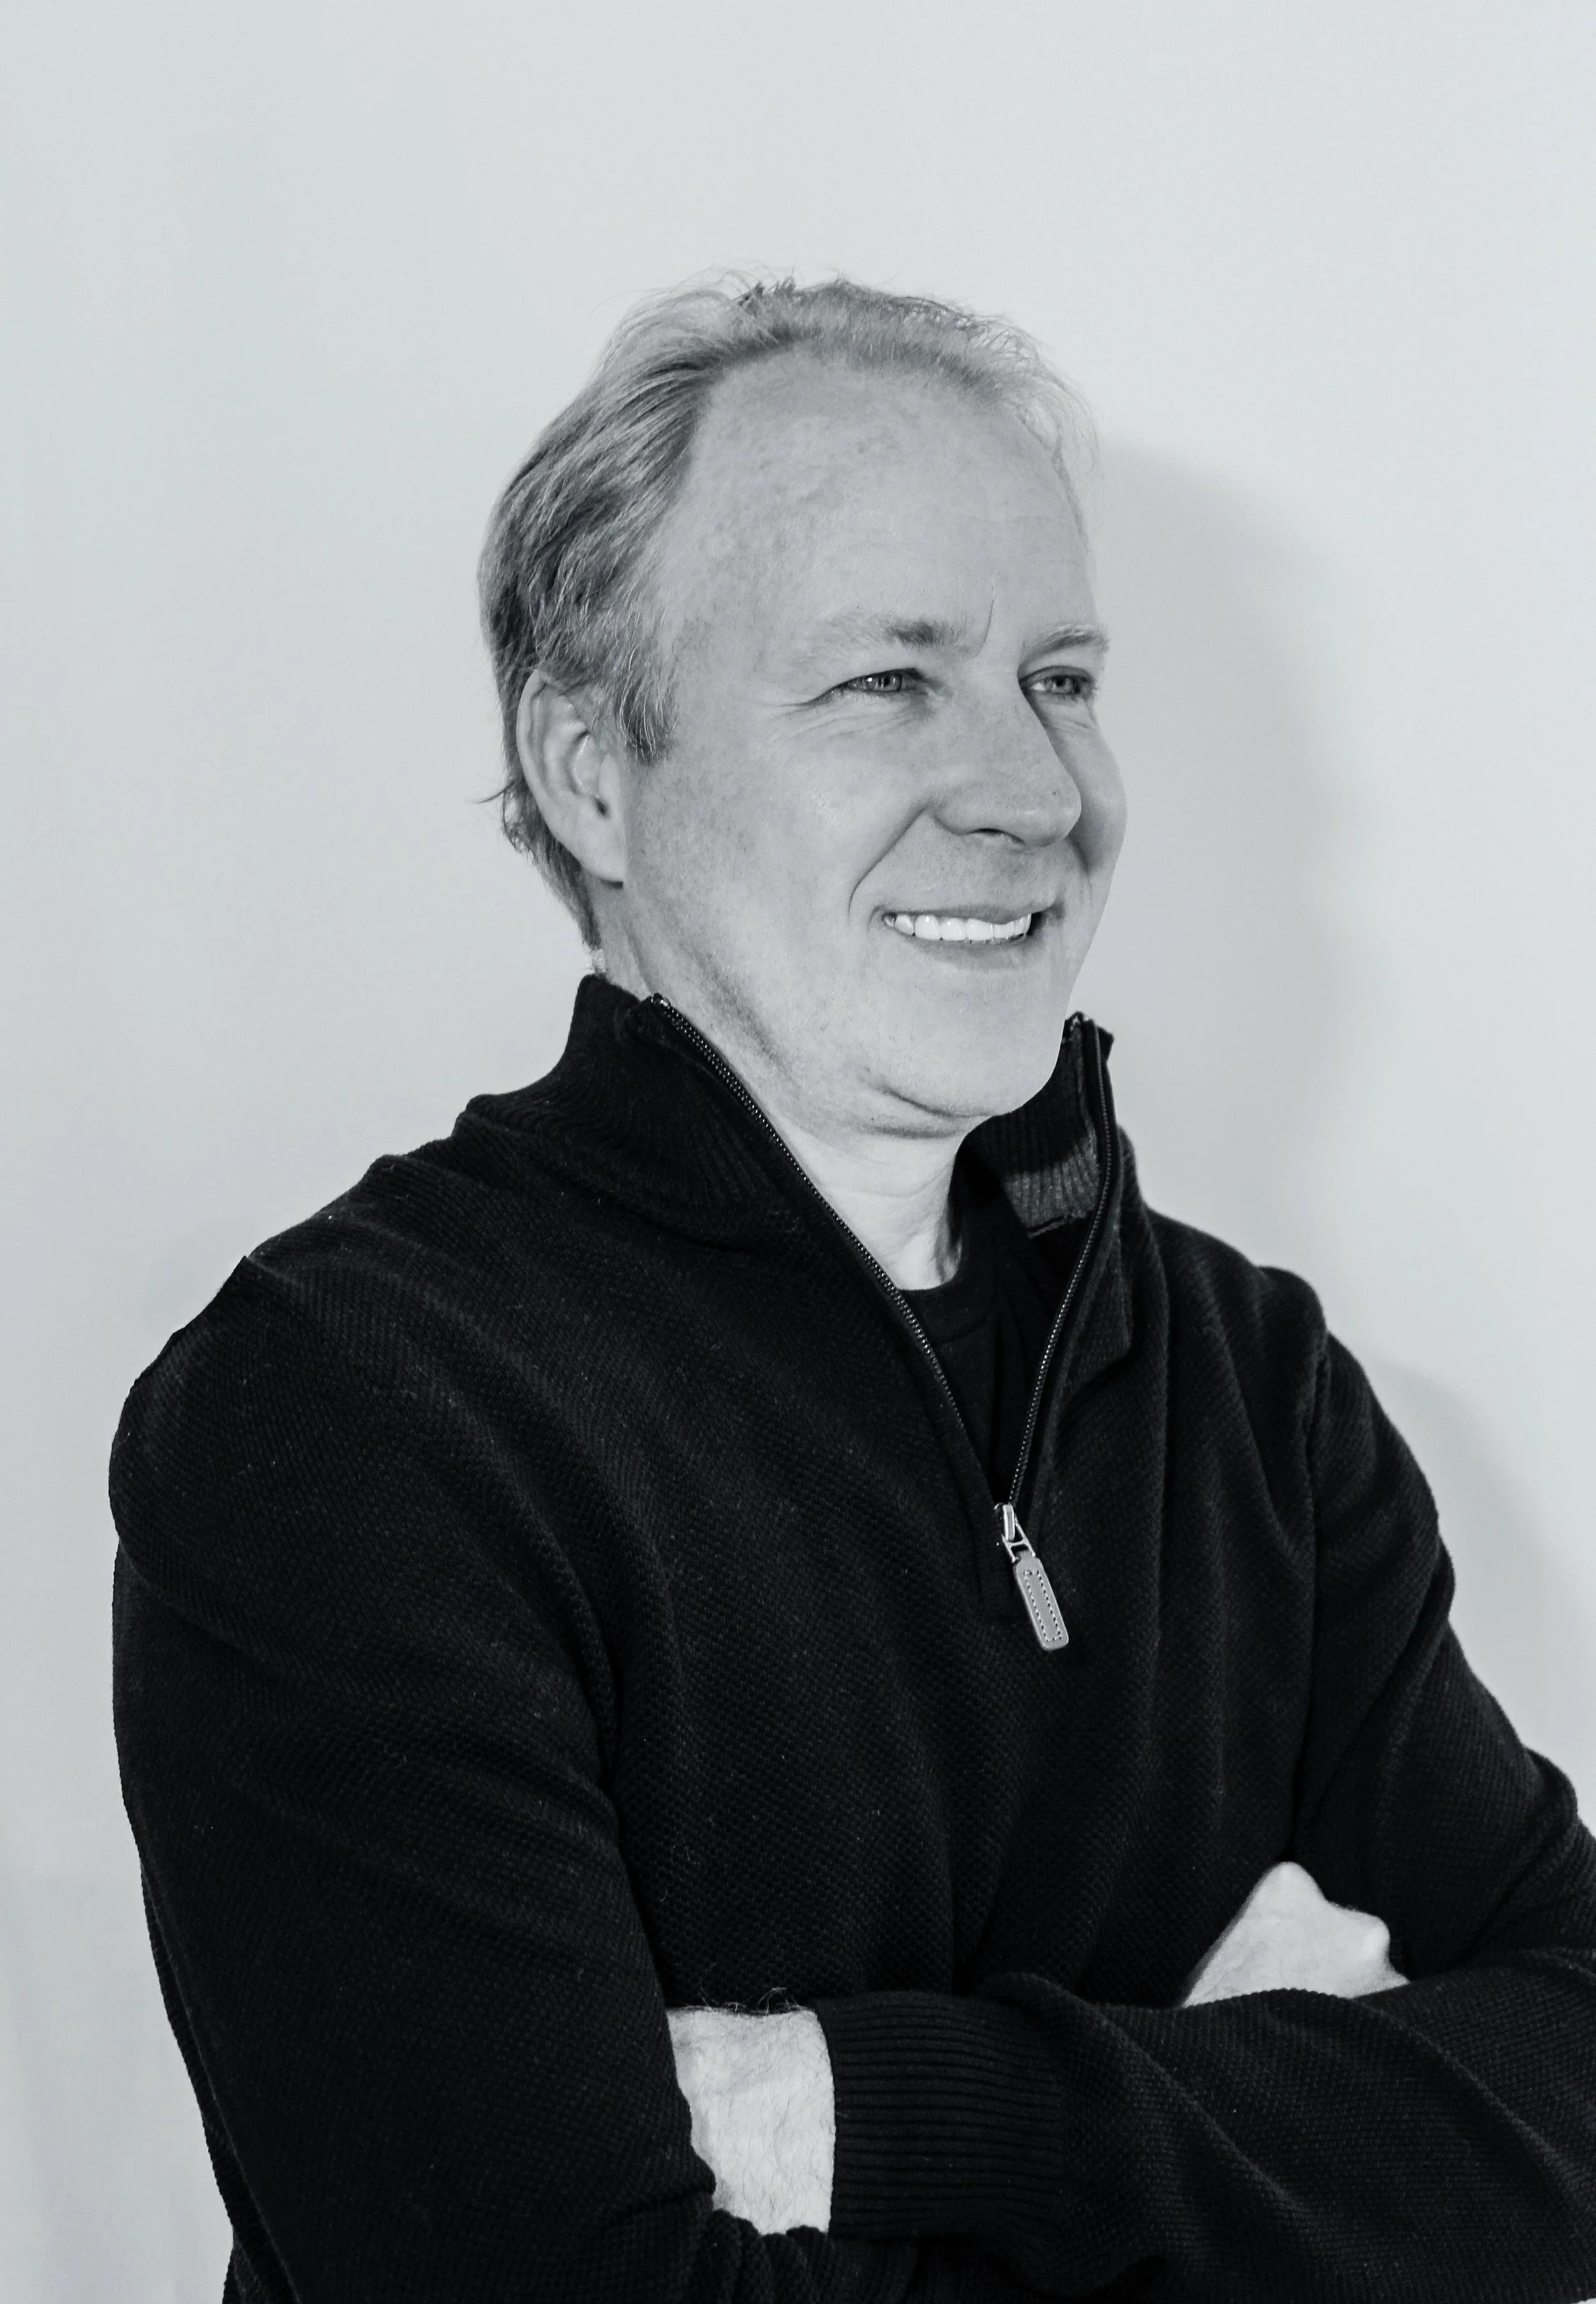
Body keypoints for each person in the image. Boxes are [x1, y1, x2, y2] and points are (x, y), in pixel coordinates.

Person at [110, 277, 1596, 2303]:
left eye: (1059, 677)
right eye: (890, 681)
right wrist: (1294, 2124)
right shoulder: (353, 1417)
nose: (1034, 791)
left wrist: (892, 2113)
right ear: (590, 776)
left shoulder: (1250, 1389)